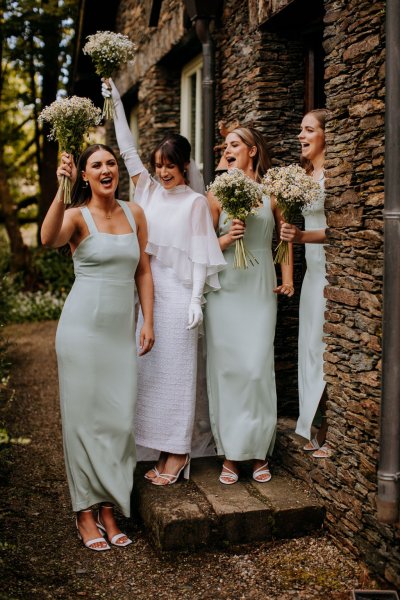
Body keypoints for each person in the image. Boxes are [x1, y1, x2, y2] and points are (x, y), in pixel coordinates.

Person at [102, 79, 226, 486]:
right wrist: (117, 105)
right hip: (149, 294)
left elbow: (200, 256)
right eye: (158, 166)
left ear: (184, 165)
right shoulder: (148, 192)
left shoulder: (194, 202)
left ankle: (178, 451)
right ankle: (153, 444)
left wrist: (196, 301)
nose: (162, 172)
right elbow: (127, 150)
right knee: (149, 371)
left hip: (180, 298)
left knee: (178, 372)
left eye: (169, 166)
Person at [41, 144, 154, 551]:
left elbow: (143, 270)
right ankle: (86, 512)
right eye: (96, 165)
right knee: (83, 420)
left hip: (119, 332)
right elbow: (48, 238)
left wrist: (148, 321)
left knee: (119, 420)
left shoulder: (134, 213)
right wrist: (61, 188)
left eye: (110, 163)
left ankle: (109, 505)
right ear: (84, 175)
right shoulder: (75, 215)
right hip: (81, 331)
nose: (106, 169)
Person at [205, 127, 295, 485]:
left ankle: (258, 451)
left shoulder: (274, 191)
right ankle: (230, 453)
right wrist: (228, 237)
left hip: (259, 284)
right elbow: (203, 247)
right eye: (225, 146)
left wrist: (288, 279)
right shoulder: (214, 192)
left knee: (257, 368)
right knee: (228, 370)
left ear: (252, 151)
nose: (228, 151)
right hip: (224, 288)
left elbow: (285, 238)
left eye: (235, 145)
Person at [280, 109, 331, 459]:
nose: (301, 135)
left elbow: (338, 229)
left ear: (327, 135)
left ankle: (329, 431)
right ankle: (315, 423)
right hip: (313, 274)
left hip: (332, 273)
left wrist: (302, 235)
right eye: (301, 129)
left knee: (325, 349)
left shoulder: (331, 175)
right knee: (309, 350)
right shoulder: (304, 175)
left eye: (308, 129)